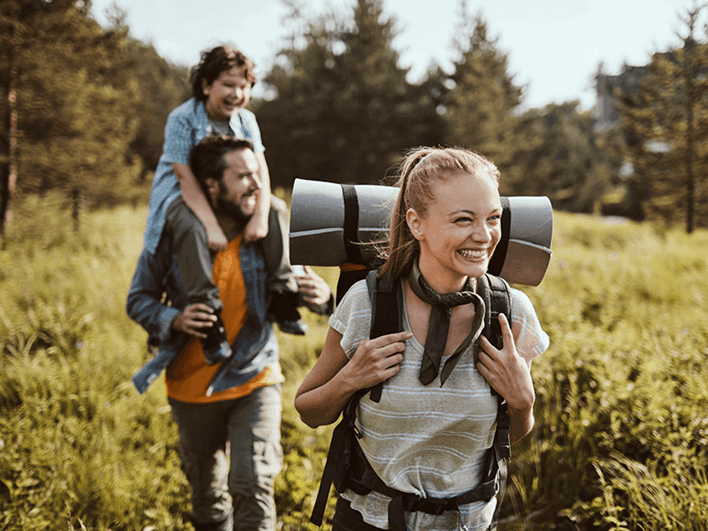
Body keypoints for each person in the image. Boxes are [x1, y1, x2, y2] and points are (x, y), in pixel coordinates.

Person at [294, 147, 550, 531]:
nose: (483, 236)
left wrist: (523, 401)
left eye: (493, 218)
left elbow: (508, 436)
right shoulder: (366, 304)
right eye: (463, 220)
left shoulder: (510, 313)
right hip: (370, 521)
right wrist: (351, 379)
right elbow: (309, 411)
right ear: (417, 223)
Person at [127, 135, 334, 531]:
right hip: (190, 386)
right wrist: (174, 318)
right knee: (207, 498)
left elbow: (314, 291)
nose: (254, 184)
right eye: (242, 176)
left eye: (256, 173)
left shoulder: (265, 232)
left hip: (255, 378)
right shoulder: (173, 236)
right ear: (211, 185)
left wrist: (324, 297)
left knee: (253, 484)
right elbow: (138, 299)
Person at [143, 44, 305, 366]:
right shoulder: (183, 119)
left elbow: (261, 169)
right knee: (190, 226)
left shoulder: (247, 121)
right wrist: (211, 225)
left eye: (243, 86)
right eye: (228, 85)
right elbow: (185, 177)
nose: (237, 93)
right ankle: (209, 316)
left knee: (276, 209)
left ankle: (283, 293)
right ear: (206, 86)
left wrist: (260, 216)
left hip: (231, 191)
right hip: (181, 193)